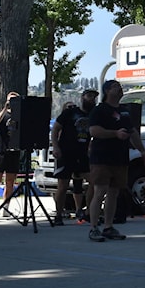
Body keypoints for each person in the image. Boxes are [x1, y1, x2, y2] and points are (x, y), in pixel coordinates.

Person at [88, 80, 145, 243]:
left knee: (114, 193)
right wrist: (114, 134)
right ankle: (94, 227)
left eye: (120, 87)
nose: (120, 89)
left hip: (120, 158)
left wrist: (142, 150)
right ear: (107, 91)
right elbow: (94, 130)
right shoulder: (99, 110)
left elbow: (133, 132)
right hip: (101, 157)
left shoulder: (125, 112)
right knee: (100, 192)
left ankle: (108, 226)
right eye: (115, 86)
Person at [50, 90, 98, 225]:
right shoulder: (70, 113)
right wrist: (56, 147)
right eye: (89, 96)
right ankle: (58, 215)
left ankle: (89, 212)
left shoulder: (93, 115)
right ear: (82, 97)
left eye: (94, 97)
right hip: (66, 152)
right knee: (63, 186)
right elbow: (55, 129)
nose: (92, 99)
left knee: (94, 181)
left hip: (83, 154)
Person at [0, 92, 22, 216]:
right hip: (0, 152)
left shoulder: (19, 116)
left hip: (14, 152)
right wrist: (5, 108)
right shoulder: (2, 114)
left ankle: (6, 207)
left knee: (10, 182)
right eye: (10, 100)